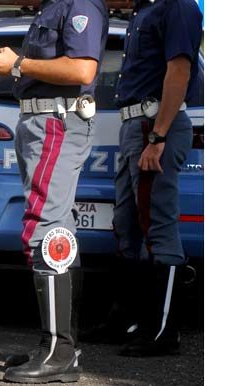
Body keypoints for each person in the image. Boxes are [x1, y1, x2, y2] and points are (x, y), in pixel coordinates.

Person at [0, 0, 108, 383]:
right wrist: (12, 63)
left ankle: (59, 353)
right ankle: (61, 349)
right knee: (58, 228)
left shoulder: (79, 3)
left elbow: (82, 69)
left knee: (45, 228)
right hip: (41, 120)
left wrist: (18, 64)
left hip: (57, 120)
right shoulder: (54, 5)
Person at [111, 0, 203, 357]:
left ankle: (163, 330)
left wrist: (158, 137)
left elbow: (178, 71)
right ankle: (128, 321)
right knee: (127, 224)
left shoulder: (177, 6)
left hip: (155, 125)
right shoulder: (144, 9)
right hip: (135, 125)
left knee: (158, 227)